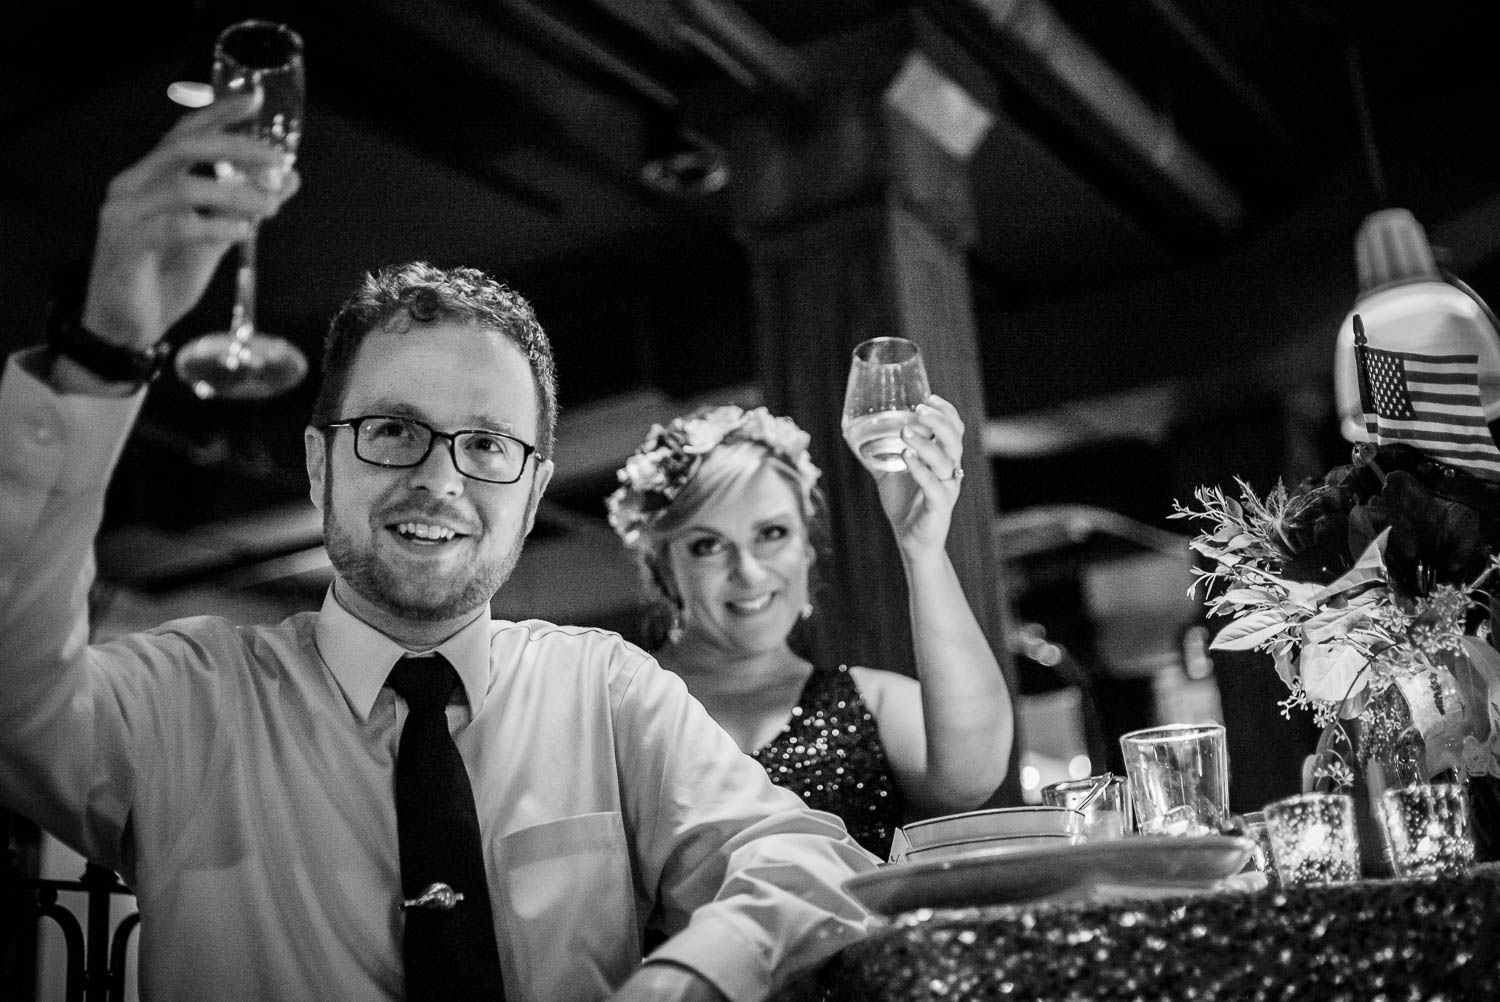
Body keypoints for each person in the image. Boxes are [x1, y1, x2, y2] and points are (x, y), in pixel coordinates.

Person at [0, 92, 876, 1002]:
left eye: (489, 444)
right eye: (391, 429)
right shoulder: (184, 699)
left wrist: (688, 979)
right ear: (318, 463)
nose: (442, 480)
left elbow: (808, 866)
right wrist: (101, 352)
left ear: (535, 493)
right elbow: (14, 697)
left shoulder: (607, 694)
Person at [606, 401, 1015, 858]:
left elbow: (972, 779)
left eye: (772, 533)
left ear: (807, 548)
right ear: (662, 568)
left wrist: (923, 550)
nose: (751, 573)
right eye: (708, 545)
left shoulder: (871, 703)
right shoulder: (620, 709)